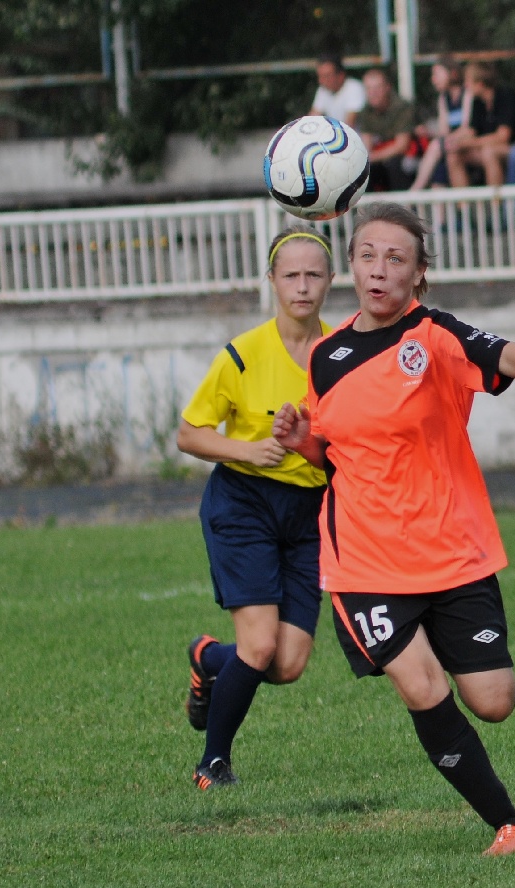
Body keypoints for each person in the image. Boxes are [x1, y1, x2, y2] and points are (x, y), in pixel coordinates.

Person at [271, 202, 515, 855]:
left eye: (395, 259)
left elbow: (506, 356)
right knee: (420, 685)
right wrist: (304, 441)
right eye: (366, 256)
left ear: (418, 273)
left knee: (494, 700)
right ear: (350, 265)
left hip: (450, 549)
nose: (378, 270)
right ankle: (509, 825)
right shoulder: (327, 356)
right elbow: (334, 454)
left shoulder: (434, 335)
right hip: (363, 559)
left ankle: (434, 644)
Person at [177, 228, 333, 790]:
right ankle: (212, 764)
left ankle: (208, 659)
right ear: (271, 281)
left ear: (330, 281)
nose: (302, 286)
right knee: (260, 644)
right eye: (291, 275)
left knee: (286, 664)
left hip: (310, 512)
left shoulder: (343, 354)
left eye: (313, 275)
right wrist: (247, 450)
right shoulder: (242, 354)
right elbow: (189, 433)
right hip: (244, 501)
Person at [445, 62, 515, 188]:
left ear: (480, 84)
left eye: (468, 81)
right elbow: (472, 131)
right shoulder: (478, 102)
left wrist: (468, 143)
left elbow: (502, 137)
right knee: (454, 156)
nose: (465, 85)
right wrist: (455, 142)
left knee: (489, 153)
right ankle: (464, 200)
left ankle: (495, 199)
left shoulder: (505, 96)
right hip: (493, 148)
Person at [409, 55, 472, 191]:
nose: (433, 79)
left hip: (465, 142)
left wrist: (446, 139)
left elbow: (467, 128)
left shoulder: (467, 94)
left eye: (437, 74)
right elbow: (444, 131)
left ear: (453, 73)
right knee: (439, 170)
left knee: (437, 146)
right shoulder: (443, 98)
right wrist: (428, 132)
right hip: (449, 144)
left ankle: (416, 189)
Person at [357, 67, 418, 193]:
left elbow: (402, 146)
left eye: (377, 88)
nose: (373, 93)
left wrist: (372, 157)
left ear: (387, 87)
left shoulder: (401, 107)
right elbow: (367, 146)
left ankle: (402, 204)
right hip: (383, 155)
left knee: (394, 165)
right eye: (369, 89)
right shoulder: (366, 111)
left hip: (409, 156)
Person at [309, 53, 365, 129]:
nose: (321, 81)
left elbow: (349, 125)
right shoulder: (323, 90)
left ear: (341, 75)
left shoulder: (354, 88)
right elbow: (312, 120)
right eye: (320, 76)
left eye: (327, 76)